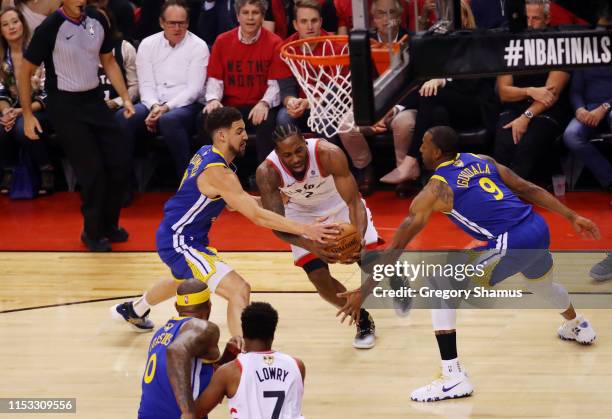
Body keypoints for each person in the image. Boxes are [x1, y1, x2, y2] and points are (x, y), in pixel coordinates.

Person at [338, 126, 600, 402]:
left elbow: (395, 248)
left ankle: (452, 377)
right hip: (537, 227)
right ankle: (577, 324)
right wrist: (571, 216)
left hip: (510, 241)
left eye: (424, 145)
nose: (420, 149)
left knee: (439, 284)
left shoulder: (435, 190)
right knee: (543, 285)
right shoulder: (481, 159)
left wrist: (364, 291)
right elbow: (527, 188)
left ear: (437, 152)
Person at [112, 107, 338, 338]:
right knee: (239, 289)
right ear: (222, 135)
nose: (244, 136)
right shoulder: (220, 173)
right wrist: (307, 228)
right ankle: (241, 355)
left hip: (180, 235)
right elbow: (256, 216)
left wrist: (273, 198)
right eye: (239, 131)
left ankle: (134, 309)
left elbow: (232, 202)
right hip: (180, 241)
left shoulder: (206, 153)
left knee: (183, 276)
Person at [18, 0, 136, 252]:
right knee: (92, 171)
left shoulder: (98, 19)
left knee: (118, 161)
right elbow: (25, 71)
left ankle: (109, 225)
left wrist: (125, 97)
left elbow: (108, 60)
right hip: (64, 105)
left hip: (93, 99)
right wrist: (28, 115)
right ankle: (91, 232)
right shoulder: (50, 27)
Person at [256, 124, 378, 348]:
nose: (295, 159)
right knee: (319, 279)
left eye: (299, 150)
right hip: (301, 214)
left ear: (305, 142)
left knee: (370, 261)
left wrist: (357, 238)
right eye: (287, 155)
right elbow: (277, 225)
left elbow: (353, 202)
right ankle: (362, 319)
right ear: (277, 154)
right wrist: (311, 247)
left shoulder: (328, 153)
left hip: (338, 203)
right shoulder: (267, 172)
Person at [117, 0, 208, 180]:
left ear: (188, 23)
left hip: (186, 105)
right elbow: (146, 85)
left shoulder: (198, 46)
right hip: (153, 103)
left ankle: (189, 182)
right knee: (124, 116)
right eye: (172, 23)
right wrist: (155, 107)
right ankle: (123, 185)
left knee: (169, 120)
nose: (177, 28)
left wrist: (165, 108)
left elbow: (194, 90)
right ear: (161, 23)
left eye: (182, 23)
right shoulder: (147, 44)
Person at [181, 302, 305, 419]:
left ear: (243, 331)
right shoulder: (297, 365)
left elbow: (194, 413)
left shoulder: (230, 372)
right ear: (273, 333)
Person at [138, 279, 242, 419]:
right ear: (209, 305)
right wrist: (188, 412)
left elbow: (201, 376)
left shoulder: (161, 333)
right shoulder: (203, 327)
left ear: (176, 306)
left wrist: (229, 355)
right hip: (178, 415)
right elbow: (177, 351)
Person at [493, 0, 571, 182]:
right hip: (514, 107)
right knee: (503, 147)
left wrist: (526, 117)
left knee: (526, 148)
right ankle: (498, 194)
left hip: (547, 110)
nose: (529, 24)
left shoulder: (558, 44)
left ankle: (509, 198)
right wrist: (530, 91)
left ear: (547, 18)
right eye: (526, 18)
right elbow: (504, 92)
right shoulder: (511, 43)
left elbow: (551, 94)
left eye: (535, 19)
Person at [202, 0, 283, 164]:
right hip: (231, 105)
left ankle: (264, 178)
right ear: (238, 16)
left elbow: (275, 84)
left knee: (266, 122)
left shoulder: (275, 42)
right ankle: (213, 175)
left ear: (262, 16)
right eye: (245, 13)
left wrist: (265, 103)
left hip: (258, 105)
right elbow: (215, 79)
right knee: (205, 118)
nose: (250, 18)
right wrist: (213, 99)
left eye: (255, 13)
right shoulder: (222, 41)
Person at [0, 6, 54, 196]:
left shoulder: (38, 51)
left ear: (23, 23)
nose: (11, 27)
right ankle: (9, 170)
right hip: (13, 110)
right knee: (4, 125)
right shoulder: (1, 58)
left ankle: (46, 169)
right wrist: (6, 111)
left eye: (15, 22)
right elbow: (1, 91)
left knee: (23, 125)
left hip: (41, 108)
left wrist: (21, 111)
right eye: (5, 24)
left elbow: (48, 93)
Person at [563, 67, 612, 191]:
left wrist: (605, 106)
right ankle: (609, 178)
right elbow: (576, 91)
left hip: (609, 106)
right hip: (590, 109)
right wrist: (579, 109)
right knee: (571, 135)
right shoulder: (586, 56)